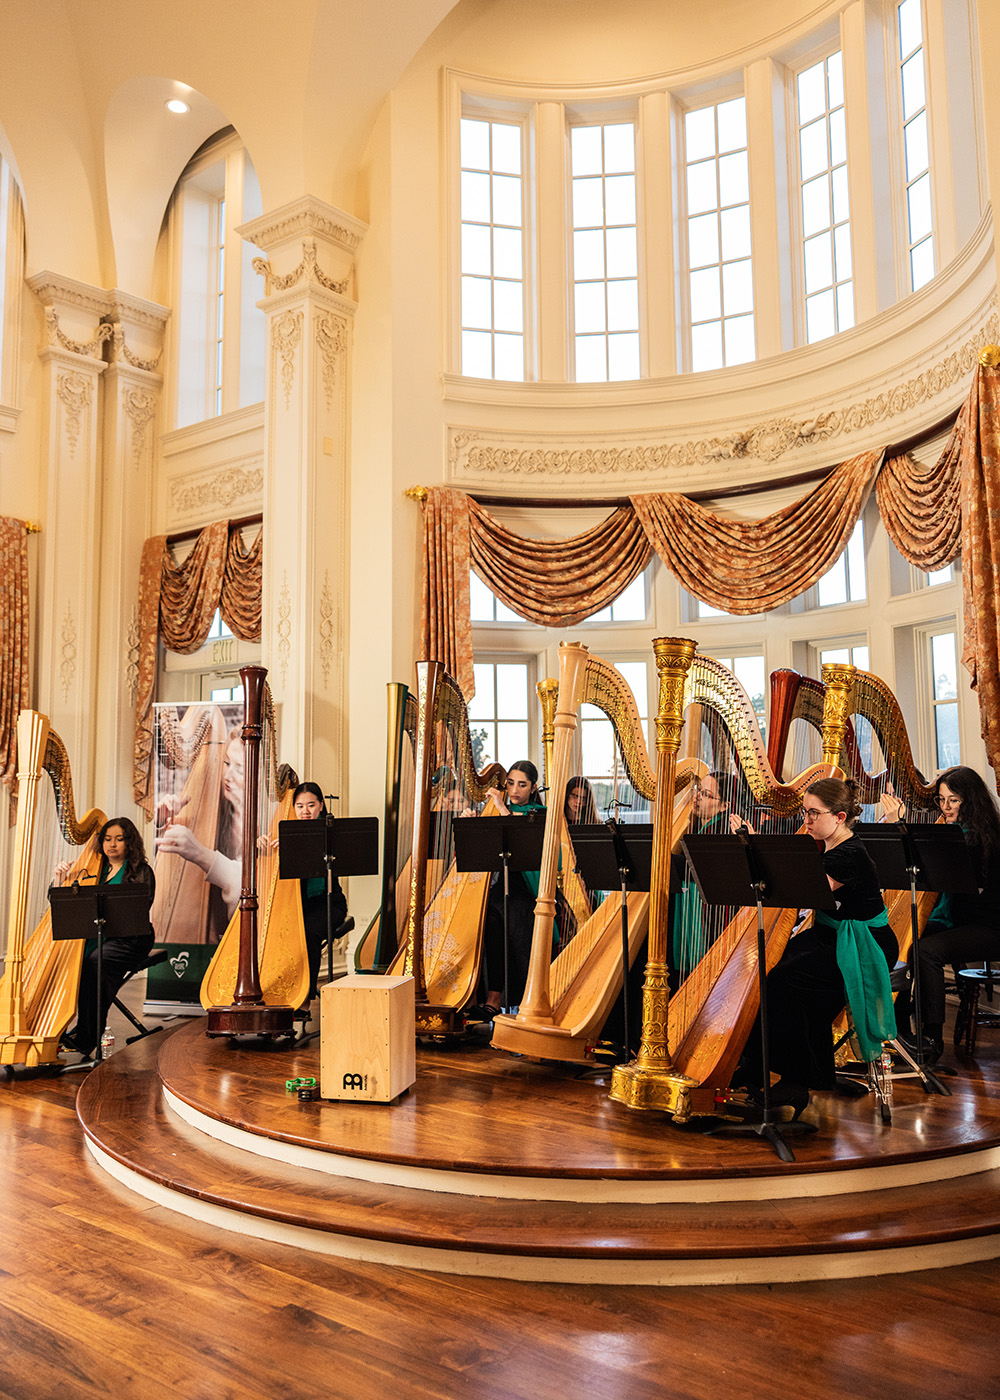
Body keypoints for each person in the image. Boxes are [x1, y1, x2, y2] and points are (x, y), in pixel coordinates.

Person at [733, 776, 897, 1119]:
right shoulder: (829, 845)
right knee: (769, 973)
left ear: (839, 817)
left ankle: (797, 1080)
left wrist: (754, 849)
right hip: (832, 934)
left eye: (813, 814)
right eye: (804, 813)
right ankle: (756, 1063)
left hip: (863, 944)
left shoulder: (849, 853)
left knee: (783, 982)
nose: (806, 821)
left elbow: (800, 890)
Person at [891, 766, 1000, 1064]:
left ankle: (931, 1039)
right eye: (941, 799)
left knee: (925, 951)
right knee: (895, 940)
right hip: (961, 920)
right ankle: (898, 1030)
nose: (945, 807)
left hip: (989, 927)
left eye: (953, 800)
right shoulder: (956, 833)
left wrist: (899, 827)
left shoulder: (977, 837)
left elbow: (940, 872)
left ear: (970, 800)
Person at [58, 818, 156, 1058]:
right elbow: (69, 907)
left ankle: (88, 1034)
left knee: (96, 961)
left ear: (129, 842)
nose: (112, 844)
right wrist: (61, 879)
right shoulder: (92, 869)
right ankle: (79, 1031)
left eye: (119, 839)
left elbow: (139, 911)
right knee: (81, 960)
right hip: (98, 936)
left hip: (131, 940)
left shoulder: (141, 871)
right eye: (108, 839)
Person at [155, 724, 244, 934]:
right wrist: (162, 820)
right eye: (226, 763)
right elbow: (168, 857)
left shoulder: (268, 819)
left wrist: (201, 854)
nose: (227, 776)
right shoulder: (213, 806)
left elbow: (247, 887)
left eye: (239, 769)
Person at [479, 760, 547, 1018]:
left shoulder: (540, 812)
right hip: (500, 887)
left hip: (528, 891)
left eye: (522, 784)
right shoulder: (496, 809)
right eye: (510, 783)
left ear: (533, 787)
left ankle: (510, 998)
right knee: (488, 918)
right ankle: (489, 996)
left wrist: (500, 807)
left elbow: (520, 837)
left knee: (505, 918)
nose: (515, 790)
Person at [291, 782, 349, 1003]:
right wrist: (264, 846)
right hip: (298, 905)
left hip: (329, 904)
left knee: (307, 933)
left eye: (311, 805)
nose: (305, 811)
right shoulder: (288, 832)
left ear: (321, 805)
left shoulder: (330, 834)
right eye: (300, 806)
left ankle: (304, 997)